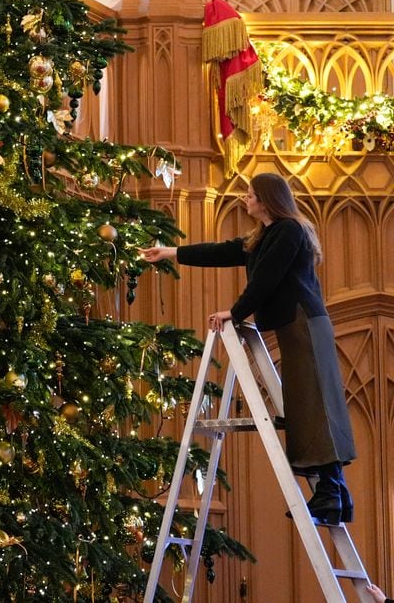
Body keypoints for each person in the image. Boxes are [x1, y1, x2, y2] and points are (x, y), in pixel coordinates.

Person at [139, 173, 355, 525]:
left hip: (304, 324)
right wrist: (170, 252)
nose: (245, 198)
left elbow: (266, 278)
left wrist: (234, 312)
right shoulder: (267, 234)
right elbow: (222, 251)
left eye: (251, 194)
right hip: (295, 325)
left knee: (313, 403)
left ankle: (331, 493)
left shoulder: (289, 230)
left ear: (268, 200)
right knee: (306, 403)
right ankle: (335, 495)